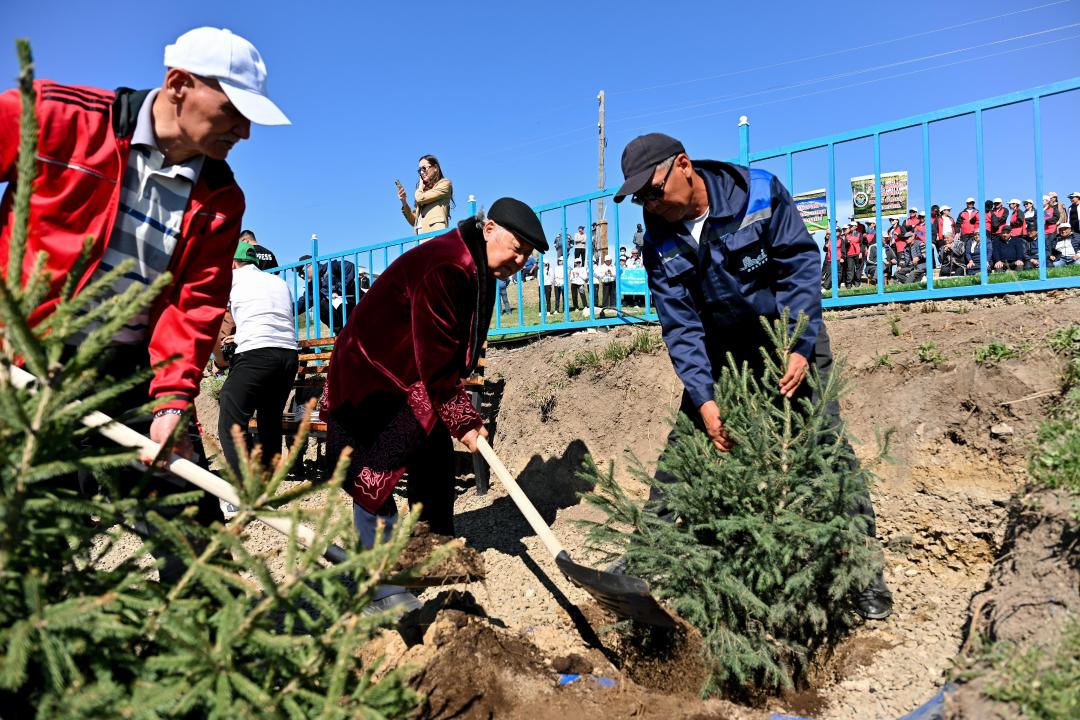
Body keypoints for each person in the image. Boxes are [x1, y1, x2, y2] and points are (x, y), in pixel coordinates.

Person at [0, 26, 289, 579]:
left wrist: (172, 402)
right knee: (35, 530)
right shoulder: (60, 119)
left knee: (191, 527)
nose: (245, 130)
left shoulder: (221, 198)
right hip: (26, 360)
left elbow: (194, 304)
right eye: (232, 110)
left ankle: (212, 624)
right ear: (178, 85)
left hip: (131, 372)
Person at [612, 132, 892, 620]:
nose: (651, 205)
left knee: (825, 443)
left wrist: (799, 344)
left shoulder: (757, 194)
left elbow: (799, 267)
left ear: (684, 165)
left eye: (653, 191)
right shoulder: (658, 237)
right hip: (722, 351)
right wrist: (704, 398)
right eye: (641, 199)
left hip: (787, 338)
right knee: (684, 450)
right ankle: (643, 559)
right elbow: (680, 324)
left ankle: (864, 572)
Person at [322, 198, 546, 613]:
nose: (520, 261)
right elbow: (437, 357)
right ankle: (380, 586)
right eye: (517, 249)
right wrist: (464, 419)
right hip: (370, 376)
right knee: (375, 470)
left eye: (526, 256)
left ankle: (431, 554)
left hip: (412, 379)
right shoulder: (448, 265)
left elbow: (447, 355)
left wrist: (457, 416)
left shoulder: (476, 266)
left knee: (433, 457)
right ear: (489, 229)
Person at [215, 242, 298, 480]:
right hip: (288, 355)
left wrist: (220, 359)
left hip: (256, 354)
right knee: (269, 419)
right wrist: (242, 334)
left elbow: (215, 320)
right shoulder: (278, 282)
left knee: (231, 419)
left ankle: (245, 485)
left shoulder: (231, 280)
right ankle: (268, 480)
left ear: (232, 264)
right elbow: (271, 318)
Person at [295, 254, 361, 332]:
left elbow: (349, 266)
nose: (301, 276)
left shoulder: (330, 267)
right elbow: (304, 302)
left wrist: (339, 290)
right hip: (341, 314)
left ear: (310, 265)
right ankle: (340, 333)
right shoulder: (312, 286)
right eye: (299, 274)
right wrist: (286, 309)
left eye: (302, 272)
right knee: (319, 303)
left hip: (355, 304)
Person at [398, 154, 453, 235]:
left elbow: (420, 198)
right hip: (421, 238)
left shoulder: (445, 184)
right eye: (419, 170)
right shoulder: (422, 192)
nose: (421, 172)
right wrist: (404, 202)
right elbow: (414, 221)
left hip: (436, 236)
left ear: (435, 168)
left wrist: (420, 186)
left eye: (424, 168)